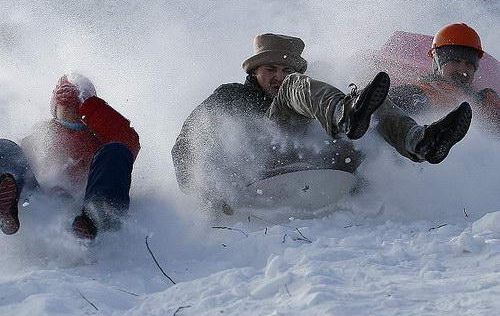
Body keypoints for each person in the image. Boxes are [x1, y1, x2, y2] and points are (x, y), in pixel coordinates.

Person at [172, 33, 472, 214]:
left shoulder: (310, 91)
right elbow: (186, 144)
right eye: (270, 69)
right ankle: (345, 113)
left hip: (317, 162)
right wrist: (207, 194)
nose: (278, 76)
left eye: (286, 69)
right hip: (262, 171)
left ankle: (419, 142)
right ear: (254, 72)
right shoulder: (233, 96)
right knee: (297, 87)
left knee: (366, 94)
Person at [0, 73, 140, 240]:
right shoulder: (44, 131)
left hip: (87, 200)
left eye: (77, 110)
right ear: (54, 109)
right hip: (41, 198)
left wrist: (92, 107)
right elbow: (23, 160)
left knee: (117, 150)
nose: (70, 116)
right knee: (5, 146)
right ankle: (7, 199)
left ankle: (97, 218)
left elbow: (128, 143)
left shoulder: (100, 138)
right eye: (65, 110)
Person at [389, 23, 499, 133]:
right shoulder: (423, 90)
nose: (462, 70)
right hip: (426, 144)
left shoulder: (485, 101)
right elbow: (385, 106)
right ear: (437, 63)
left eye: (469, 65)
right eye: (455, 61)